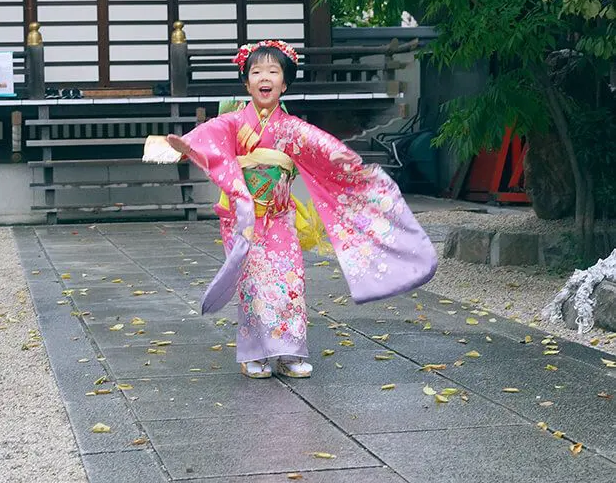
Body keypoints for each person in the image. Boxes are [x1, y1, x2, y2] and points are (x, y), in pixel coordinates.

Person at [144, 39, 437, 379]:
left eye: (273, 71)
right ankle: (254, 353)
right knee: (253, 285)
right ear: (246, 81)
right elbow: (208, 135)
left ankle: (288, 352)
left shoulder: (291, 127)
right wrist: (186, 145)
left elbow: (322, 145)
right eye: (256, 71)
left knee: (289, 281)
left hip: (280, 217)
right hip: (245, 220)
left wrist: (346, 162)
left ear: (285, 82)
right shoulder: (233, 121)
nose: (264, 77)